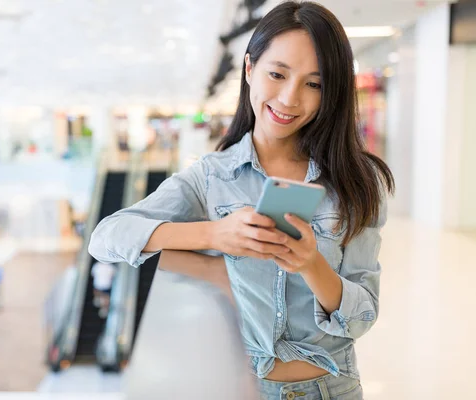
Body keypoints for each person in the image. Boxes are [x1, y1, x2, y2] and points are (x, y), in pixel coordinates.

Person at [88, 2, 395, 399]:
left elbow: (363, 314)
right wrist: (213, 235)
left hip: (331, 389)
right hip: (242, 387)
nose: (289, 98)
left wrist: (311, 264)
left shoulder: (359, 180)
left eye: (313, 84)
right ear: (250, 69)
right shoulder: (211, 177)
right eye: (277, 74)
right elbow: (106, 238)